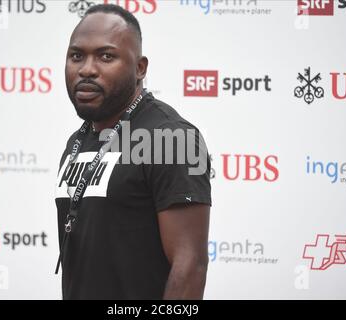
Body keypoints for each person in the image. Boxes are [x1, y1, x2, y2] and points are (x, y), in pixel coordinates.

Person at [55, 4, 211, 300]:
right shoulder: (78, 139)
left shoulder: (171, 137)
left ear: (140, 68)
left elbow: (190, 266)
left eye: (106, 56)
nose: (87, 69)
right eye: (77, 56)